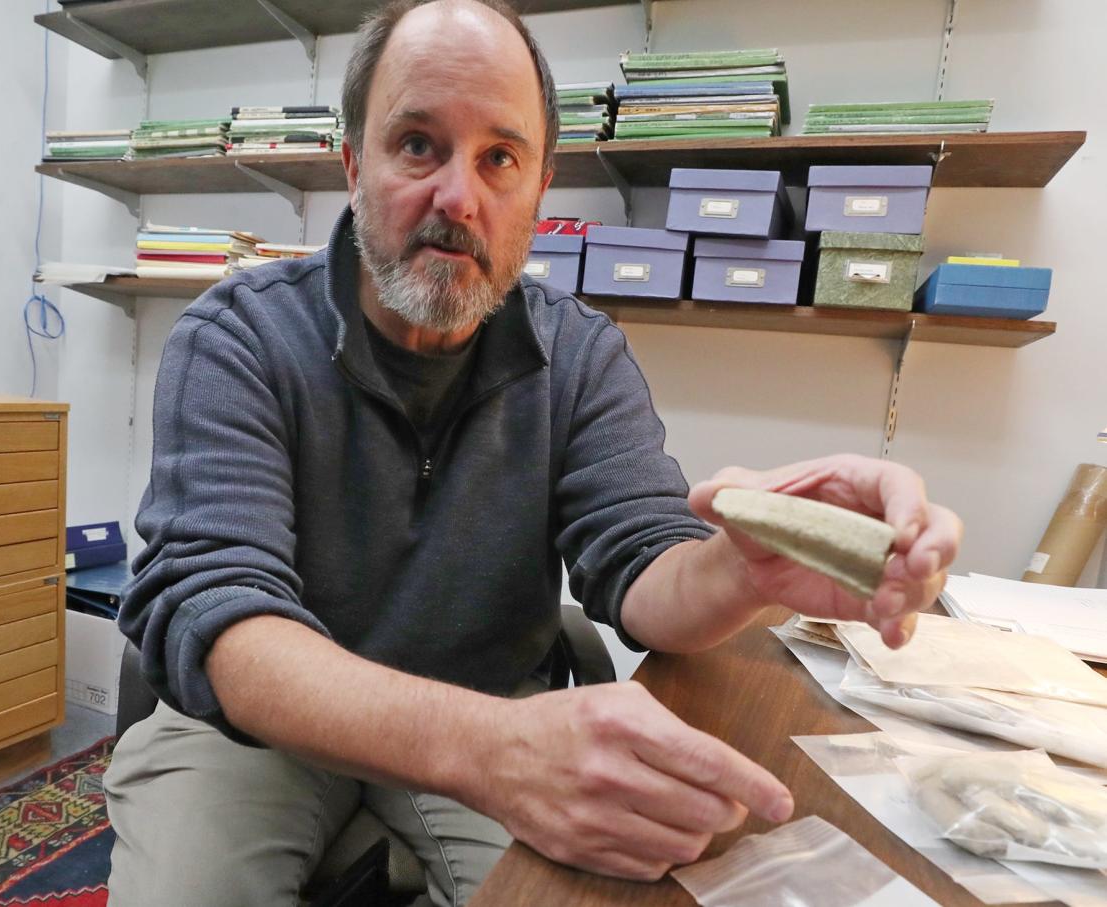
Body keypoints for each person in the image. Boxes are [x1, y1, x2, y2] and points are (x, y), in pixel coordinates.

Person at [103, 0, 962, 904]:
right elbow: (220, 614)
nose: (458, 197)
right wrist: (485, 746)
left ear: (540, 188)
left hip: (490, 708)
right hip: (256, 734)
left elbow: (642, 564)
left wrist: (742, 567)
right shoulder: (235, 340)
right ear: (355, 163)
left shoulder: (581, 355)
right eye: (418, 145)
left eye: (499, 158)